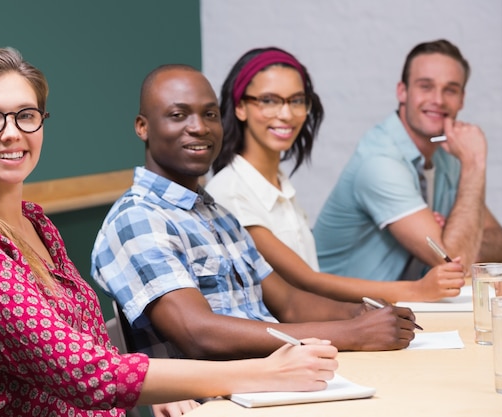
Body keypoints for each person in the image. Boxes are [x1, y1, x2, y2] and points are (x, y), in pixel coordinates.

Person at [0, 47, 340, 417]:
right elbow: (85, 375)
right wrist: (263, 372)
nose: (12, 132)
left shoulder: (35, 224)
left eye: (26, 115)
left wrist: (153, 387)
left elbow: (82, 348)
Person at [91, 63, 418, 364]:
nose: (199, 128)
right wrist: (353, 334)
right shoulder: (137, 219)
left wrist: (363, 314)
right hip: (221, 400)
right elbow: (198, 334)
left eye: (210, 115)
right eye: (178, 115)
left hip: (280, 379)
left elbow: (288, 302)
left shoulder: (218, 215)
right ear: (142, 127)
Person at [206, 46, 465, 304]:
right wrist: (417, 291)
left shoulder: (279, 186)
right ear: (240, 107)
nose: (286, 114)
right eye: (269, 100)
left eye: (296, 101)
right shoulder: (231, 193)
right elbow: (305, 281)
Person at [313, 39, 502, 282]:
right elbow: (452, 260)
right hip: (341, 313)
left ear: (461, 99)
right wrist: (475, 163)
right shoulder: (380, 162)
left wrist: (455, 237)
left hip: (402, 308)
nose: (438, 99)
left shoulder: (446, 156)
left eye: (450, 89)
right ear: (402, 91)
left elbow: (499, 240)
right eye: (425, 86)